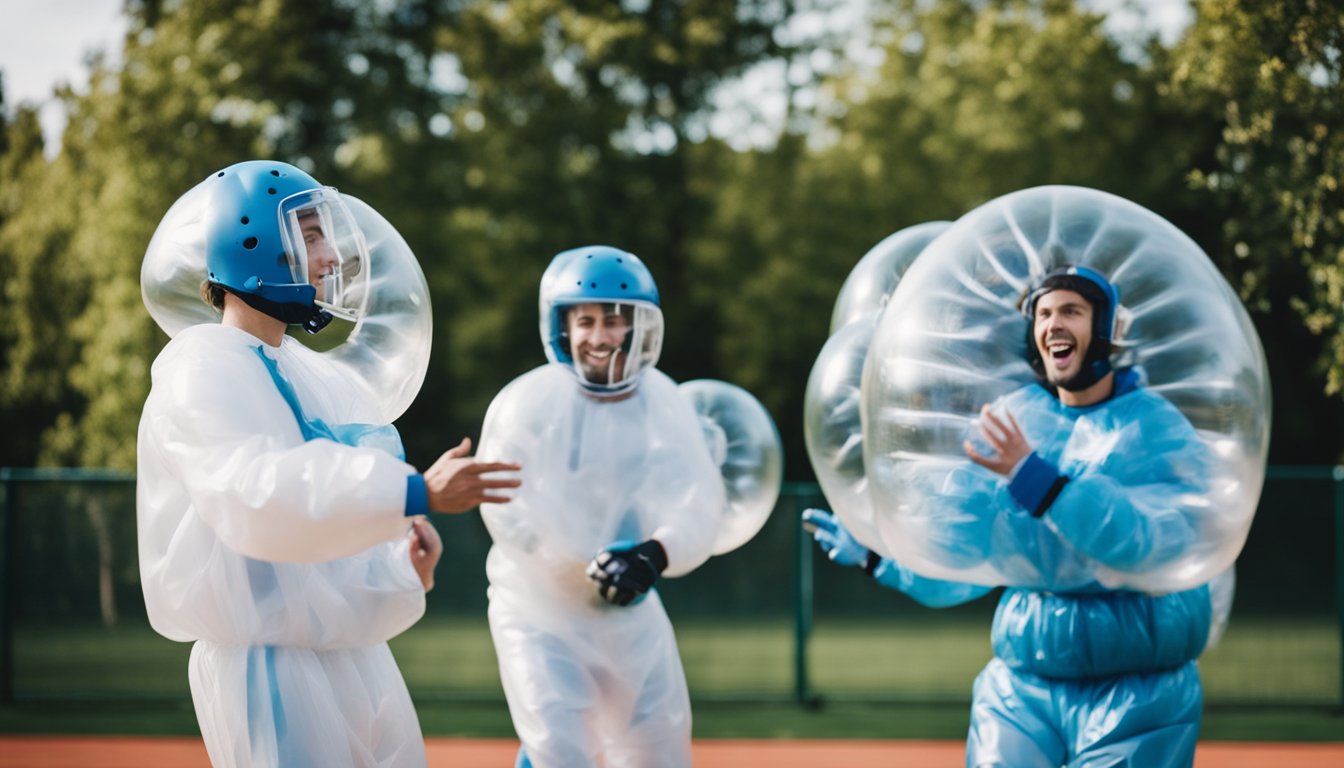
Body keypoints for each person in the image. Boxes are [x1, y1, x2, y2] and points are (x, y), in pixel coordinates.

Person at [136, 160, 521, 768]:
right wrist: (415, 492)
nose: (330, 256)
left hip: (355, 657)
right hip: (266, 667)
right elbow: (258, 494)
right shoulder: (200, 364)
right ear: (252, 241)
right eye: (311, 234)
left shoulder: (311, 371)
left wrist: (402, 569)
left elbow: (331, 544)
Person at [806, 265, 1216, 767]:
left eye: (1071, 311)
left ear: (1106, 329)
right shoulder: (1017, 418)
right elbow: (969, 559)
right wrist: (882, 556)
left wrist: (1039, 481)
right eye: (1044, 313)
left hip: (1139, 690)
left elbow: (1152, 544)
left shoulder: (1155, 428)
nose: (1054, 325)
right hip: (1024, 680)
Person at [476, 245, 726, 768]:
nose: (598, 336)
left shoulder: (665, 401)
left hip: (628, 610)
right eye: (584, 320)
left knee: (658, 750)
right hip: (537, 607)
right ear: (561, 326)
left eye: (612, 320)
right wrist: (570, 559)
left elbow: (698, 500)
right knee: (560, 750)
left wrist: (654, 555)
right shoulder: (526, 401)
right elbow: (504, 508)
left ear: (637, 325)